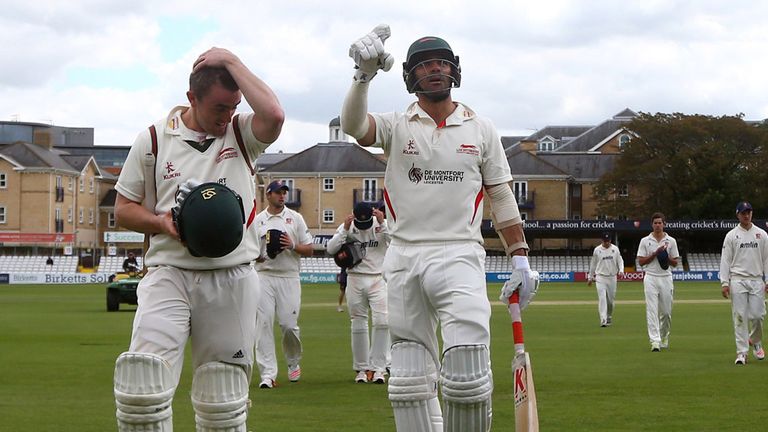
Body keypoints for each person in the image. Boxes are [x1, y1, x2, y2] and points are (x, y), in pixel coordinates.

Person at [340, 25, 535, 431]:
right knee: (409, 383)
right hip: (404, 255)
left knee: (467, 374)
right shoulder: (397, 125)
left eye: (442, 63)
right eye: (425, 65)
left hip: (460, 252)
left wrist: (519, 258)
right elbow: (354, 126)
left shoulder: (481, 128)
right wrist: (362, 75)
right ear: (410, 76)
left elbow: (500, 196)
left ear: (455, 71)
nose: (435, 70)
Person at [111, 47, 284, 431]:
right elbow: (123, 209)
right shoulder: (154, 140)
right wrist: (161, 224)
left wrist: (233, 61)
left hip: (233, 276)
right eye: (220, 107)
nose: (228, 116)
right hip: (169, 271)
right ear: (192, 98)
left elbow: (273, 115)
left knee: (223, 396)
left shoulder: (241, 134)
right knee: (143, 386)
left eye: (234, 105)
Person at [254, 180, 314, 389]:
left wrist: (292, 245)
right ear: (268, 195)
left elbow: (309, 249)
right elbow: (251, 250)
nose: (282, 196)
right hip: (264, 276)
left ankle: (293, 361)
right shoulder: (258, 220)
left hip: (289, 276)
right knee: (263, 324)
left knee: (289, 325)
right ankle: (268, 374)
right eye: (278, 192)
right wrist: (258, 257)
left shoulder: (295, 218)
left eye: (284, 193)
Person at [326, 202, 391, 384]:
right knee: (358, 322)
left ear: (372, 215)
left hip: (378, 278)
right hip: (354, 278)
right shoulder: (346, 226)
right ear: (353, 216)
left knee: (382, 321)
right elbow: (330, 249)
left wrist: (383, 224)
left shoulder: (381, 223)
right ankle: (361, 369)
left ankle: (378, 368)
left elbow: (395, 242)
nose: (363, 228)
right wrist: (345, 230)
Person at [720, 201, 768, 365]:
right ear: (737, 215)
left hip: (756, 280)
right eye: (743, 213)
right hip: (738, 280)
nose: (746, 215)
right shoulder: (732, 235)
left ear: (752, 214)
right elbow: (725, 260)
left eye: (749, 212)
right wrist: (724, 282)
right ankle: (742, 353)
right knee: (739, 317)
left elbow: (767, 259)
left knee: (758, 316)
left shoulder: (762, 234)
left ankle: (755, 340)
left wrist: (767, 279)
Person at [636, 212, 680, 352]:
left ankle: (664, 335)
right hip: (651, 277)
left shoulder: (671, 241)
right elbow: (641, 262)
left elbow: (675, 263)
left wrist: (664, 256)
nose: (657, 225)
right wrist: (655, 253)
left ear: (664, 224)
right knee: (652, 310)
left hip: (666, 277)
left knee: (666, 312)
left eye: (660, 223)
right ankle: (654, 340)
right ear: (652, 224)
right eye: (655, 223)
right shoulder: (645, 241)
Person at [588, 232, 624, 327]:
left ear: (610, 240)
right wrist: (590, 277)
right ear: (602, 240)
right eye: (605, 241)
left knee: (610, 301)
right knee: (602, 298)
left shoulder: (615, 249)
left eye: (608, 241)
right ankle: (603, 319)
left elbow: (620, 261)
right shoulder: (597, 250)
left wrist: (621, 270)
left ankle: (609, 316)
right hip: (600, 277)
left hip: (612, 277)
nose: (606, 243)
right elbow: (593, 264)